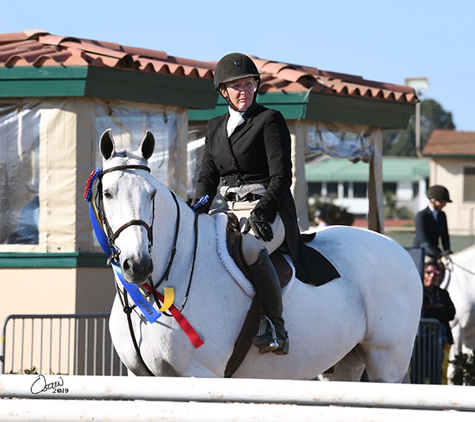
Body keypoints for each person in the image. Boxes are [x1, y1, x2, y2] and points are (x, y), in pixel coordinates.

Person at [190, 53, 338, 356]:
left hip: (269, 210)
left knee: (250, 249)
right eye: (236, 86)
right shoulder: (215, 127)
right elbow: (207, 177)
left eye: (248, 84)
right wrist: (197, 207)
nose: (243, 91)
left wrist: (262, 211)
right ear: (223, 91)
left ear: (256, 86)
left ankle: (276, 329)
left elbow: (282, 177)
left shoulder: (269, 120)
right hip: (229, 211)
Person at [421, 261, 455, 384]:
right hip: (422, 343)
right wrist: (440, 310)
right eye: (428, 272)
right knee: (420, 374)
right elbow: (423, 310)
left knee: (439, 375)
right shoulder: (419, 292)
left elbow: (451, 313)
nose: (432, 275)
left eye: (436, 272)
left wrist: (434, 311)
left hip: (441, 343)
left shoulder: (442, 293)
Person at [413, 185, 452, 262]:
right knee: (431, 266)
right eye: (442, 202)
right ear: (433, 200)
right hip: (421, 252)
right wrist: (439, 254)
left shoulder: (442, 215)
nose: (444, 205)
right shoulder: (421, 216)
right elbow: (424, 240)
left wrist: (447, 251)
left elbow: (445, 236)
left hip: (435, 251)